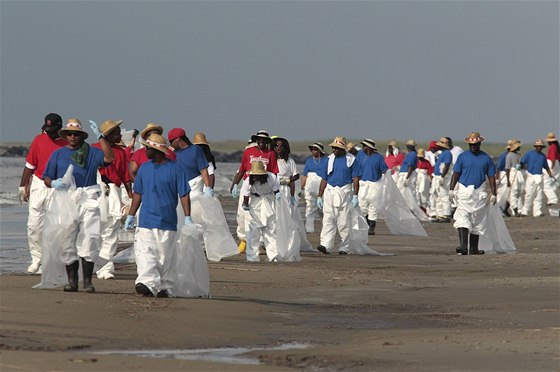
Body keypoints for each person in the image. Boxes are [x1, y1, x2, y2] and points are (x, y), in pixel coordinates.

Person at [42, 118, 115, 292]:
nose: (73, 137)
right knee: (67, 239)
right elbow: (46, 177)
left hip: (88, 197)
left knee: (90, 237)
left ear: (81, 136)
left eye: (76, 134)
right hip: (66, 199)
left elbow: (109, 158)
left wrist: (102, 137)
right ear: (65, 135)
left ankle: (88, 282)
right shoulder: (58, 154)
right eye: (70, 134)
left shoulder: (91, 152)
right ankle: (72, 281)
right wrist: (53, 183)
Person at [124, 133, 192, 297]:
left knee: (165, 258)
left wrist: (188, 217)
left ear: (156, 150)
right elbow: (138, 194)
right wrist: (131, 215)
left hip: (167, 221)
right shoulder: (144, 169)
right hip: (146, 219)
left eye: (147, 148)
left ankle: (164, 286)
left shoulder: (176, 169)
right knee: (145, 251)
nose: (144, 150)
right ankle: (146, 282)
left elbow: (184, 194)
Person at [18, 113, 67, 274]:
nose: (50, 133)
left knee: (56, 225)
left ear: (60, 128)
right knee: (33, 225)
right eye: (48, 130)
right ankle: (36, 258)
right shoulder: (39, 140)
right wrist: (22, 186)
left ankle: (50, 260)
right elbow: (30, 165)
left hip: (58, 187)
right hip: (39, 183)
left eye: (53, 130)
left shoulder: (67, 144)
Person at [92, 119, 133, 280]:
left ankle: (106, 266)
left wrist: (130, 195)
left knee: (112, 230)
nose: (120, 135)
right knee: (96, 230)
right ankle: (95, 262)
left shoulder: (121, 152)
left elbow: (125, 175)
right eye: (117, 133)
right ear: (107, 135)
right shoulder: (94, 150)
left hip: (114, 192)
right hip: (97, 191)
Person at [230, 130, 279, 252]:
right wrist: (235, 184)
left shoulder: (271, 154)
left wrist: (275, 190)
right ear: (256, 140)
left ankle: (262, 242)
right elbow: (242, 169)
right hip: (248, 187)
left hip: (264, 190)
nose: (261, 142)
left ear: (267, 142)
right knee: (242, 215)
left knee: (264, 217)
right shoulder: (248, 152)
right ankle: (243, 240)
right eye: (259, 140)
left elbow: (274, 173)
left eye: (263, 140)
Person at [449, 132, 496, 255]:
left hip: (479, 192)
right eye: (471, 144)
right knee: (462, 217)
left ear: (479, 143)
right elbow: (455, 174)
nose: (473, 147)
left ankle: (474, 248)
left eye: (475, 144)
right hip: (464, 192)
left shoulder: (486, 158)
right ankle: (463, 246)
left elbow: (491, 177)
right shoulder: (462, 157)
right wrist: (451, 190)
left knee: (478, 220)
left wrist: (494, 193)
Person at [316, 136, 362, 255]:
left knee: (343, 221)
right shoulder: (329, 160)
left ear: (343, 149)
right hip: (330, 191)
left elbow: (356, 179)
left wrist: (356, 195)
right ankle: (326, 245)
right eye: (333, 148)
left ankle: (344, 247)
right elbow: (324, 179)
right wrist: (319, 196)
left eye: (337, 148)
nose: (335, 150)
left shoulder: (351, 160)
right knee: (328, 219)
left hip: (345, 191)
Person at [240, 161, 281, 262]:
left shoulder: (271, 177)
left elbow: (276, 191)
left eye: (258, 175)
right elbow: (246, 195)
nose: (255, 177)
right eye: (254, 175)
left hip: (269, 202)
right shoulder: (248, 180)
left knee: (271, 230)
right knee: (252, 231)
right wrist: (245, 205)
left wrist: (278, 196)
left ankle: (273, 256)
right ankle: (252, 257)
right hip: (255, 204)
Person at [168, 128, 213, 198]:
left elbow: (203, 170)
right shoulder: (173, 153)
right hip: (180, 189)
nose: (170, 144)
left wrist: (208, 188)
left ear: (177, 139)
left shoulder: (196, 150)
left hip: (195, 189)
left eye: (171, 141)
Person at [358, 139, 388, 235]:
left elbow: (385, 171)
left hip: (375, 185)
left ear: (369, 147)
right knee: (362, 206)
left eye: (364, 146)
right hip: (363, 184)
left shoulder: (378, 158)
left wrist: (383, 184)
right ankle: (363, 226)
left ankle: (371, 228)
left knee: (373, 207)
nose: (362, 148)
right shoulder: (361, 155)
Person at [518, 139, 554, 217]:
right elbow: (522, 162)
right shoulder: (529, 154)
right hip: (531, 176)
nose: (539, 148)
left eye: (541, 146)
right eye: (538, 146)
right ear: (535, 146)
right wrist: (519, 166)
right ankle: (525, 211)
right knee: (529, 195)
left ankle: (537, 211)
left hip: (540, 177)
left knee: (539, 195)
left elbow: (546, 167)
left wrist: (550, 175)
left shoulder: (543, 156)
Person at [300, 142, 328, 233]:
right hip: (310, 186)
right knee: (310, 207)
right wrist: (301, 187)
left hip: (322, 185)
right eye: (312, 149)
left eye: (315, 149)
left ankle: (326, 227)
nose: (313, 151)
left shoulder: (326, 160)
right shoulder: (309, 160)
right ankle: (309, 228)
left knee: (323, 208)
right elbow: (305, 175)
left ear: (319, 151)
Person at [431, 137, 453, 223]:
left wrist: (442, 176)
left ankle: (446, 214)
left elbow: (446, 165)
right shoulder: (442, 153)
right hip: (438, 177)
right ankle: (439, 214)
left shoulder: (447, 153)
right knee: (438, 196)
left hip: (444, 177)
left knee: (444, 195)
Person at [273, 137, 299, 205]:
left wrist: (287, 180)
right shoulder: (272, 160)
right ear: (274, 147)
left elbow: (296, 175)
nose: (279, 147)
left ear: (285, 148)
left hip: (286, 188)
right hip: (274, 188)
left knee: (287, 210)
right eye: (277, 145)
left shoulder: (290, 161)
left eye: (281, 146)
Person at [504, 140, 524, 217]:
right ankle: (515, 210)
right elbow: (507, 169)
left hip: (518, 173)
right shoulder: (509, 155)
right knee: (513, 192)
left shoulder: (519, 155)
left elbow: (521, 164)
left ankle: (506, 209)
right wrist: (508, 180)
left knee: (519, 191)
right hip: (512, 173)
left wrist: (521, 165)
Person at [397, 139, 419, 206]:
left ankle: (410, 208)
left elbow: (410, 166)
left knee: (407, 192)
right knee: (403, 192)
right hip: (406, 174)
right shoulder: (411, 154)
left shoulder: (412, 154)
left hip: (407, 174)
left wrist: (407, 178)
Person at [543, 132, 559, 205]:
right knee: (554, 182)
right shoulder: (556, 146)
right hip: (557, 164)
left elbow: (552, 158)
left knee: (545, 183)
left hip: (552, 164)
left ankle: (552, 199)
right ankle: (551, 200)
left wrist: (551, 168)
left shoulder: (552, 147)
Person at [416, 148, 433, 213]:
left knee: (424, 194)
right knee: (417, 193)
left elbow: (430, 171)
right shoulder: (417, 162)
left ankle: (425, 208)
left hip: (424, 179)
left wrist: (431, 180)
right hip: (417, 178)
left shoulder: (427, 162)